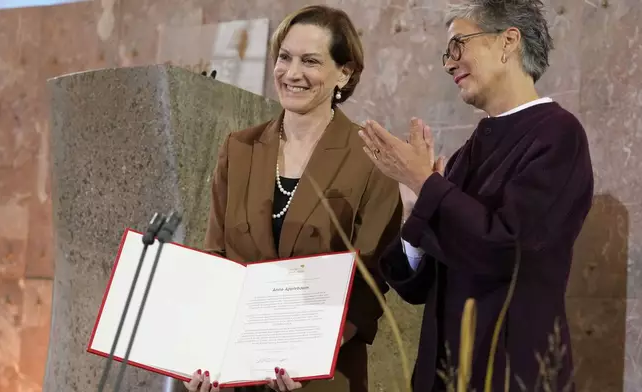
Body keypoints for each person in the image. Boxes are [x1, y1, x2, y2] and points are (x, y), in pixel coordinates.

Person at [358, 0, 594, 391]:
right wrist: (414, 208)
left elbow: (508, 248)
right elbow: (417, 287)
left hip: (508, 369)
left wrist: (425, 183)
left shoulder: (558, 135)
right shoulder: (468, 152)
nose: (449, 64)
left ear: (508, 41)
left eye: (458, 45)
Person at [182, 5, 402, 392]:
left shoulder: (371, 159)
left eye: (311, 61)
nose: (292, 73)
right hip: (236, 379)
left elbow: (371, 284)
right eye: (284, 57)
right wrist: (208, 357)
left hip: (319, 377)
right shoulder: (239, 148)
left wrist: (307, 353)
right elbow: (216, 260)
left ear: (344, 73)